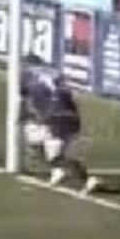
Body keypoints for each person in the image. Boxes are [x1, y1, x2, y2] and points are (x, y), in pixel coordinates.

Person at [21, 67, 101, 195]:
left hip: (57, 122)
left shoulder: (38, 89)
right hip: (70, 123)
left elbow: (41, 108)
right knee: (56, 153)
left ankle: (81, 178)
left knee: (51, 152)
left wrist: (37, 118)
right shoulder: (63, 91)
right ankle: (63, 172)